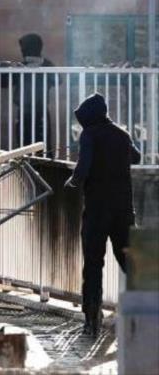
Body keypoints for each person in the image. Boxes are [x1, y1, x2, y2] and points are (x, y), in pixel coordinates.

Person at [65, 93, 140, 337]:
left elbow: (83, 167)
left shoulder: (90, 135)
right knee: (131, 264)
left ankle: (92, 318)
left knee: (94, 263)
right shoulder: (122, 134)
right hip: (123, 211)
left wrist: (72, 181)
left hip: (97, 210)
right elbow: (136, 157)